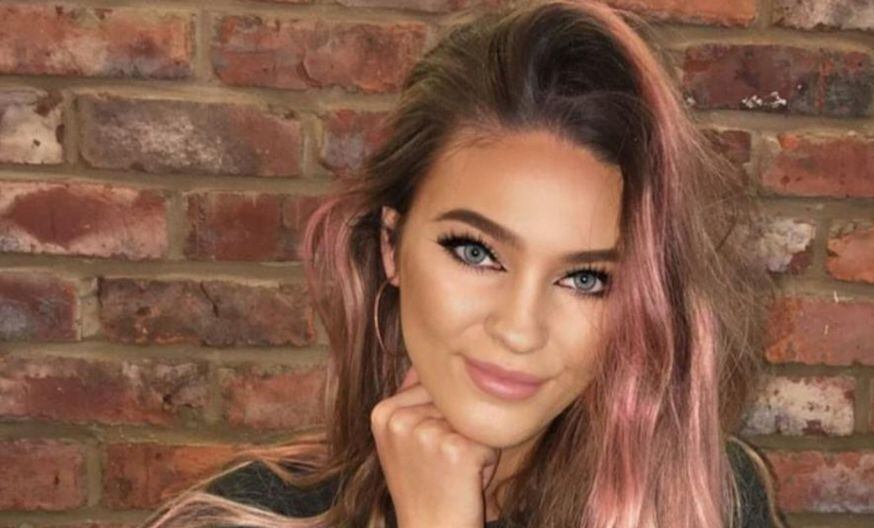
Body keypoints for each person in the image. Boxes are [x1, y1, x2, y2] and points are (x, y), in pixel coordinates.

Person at [138, 0, 785, 526]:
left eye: (586, 279)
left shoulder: (701, 501)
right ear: (391, 246)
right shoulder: (242, 516)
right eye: (476, 252)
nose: (519, 329)